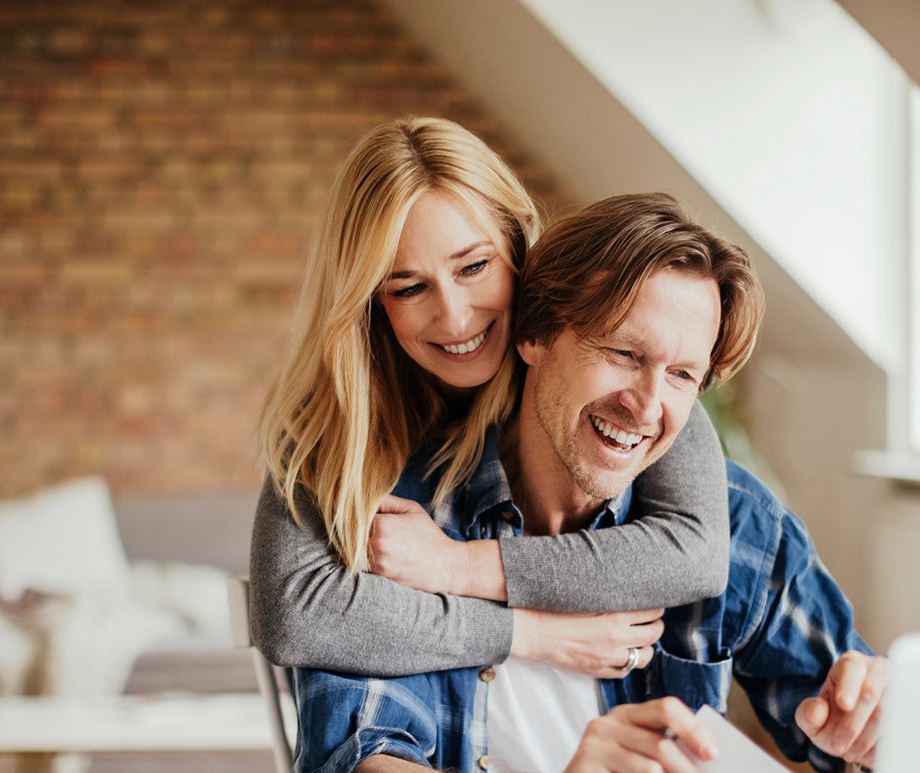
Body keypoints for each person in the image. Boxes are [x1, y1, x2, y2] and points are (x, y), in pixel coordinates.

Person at [292, 193, 884, 773]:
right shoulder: (403, 527)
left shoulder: (738, 523)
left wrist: (874, 742)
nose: (647, 407)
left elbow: (857, 755)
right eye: (624, 353)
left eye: (682, 375)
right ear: (534, 336)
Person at [251, 118, 734, 683]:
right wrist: (534, 634)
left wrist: (457, 566)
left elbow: (696, 553)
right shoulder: (339, 415)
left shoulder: (600, 367)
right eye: (409, 287)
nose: (456, 318)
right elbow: (293, 615)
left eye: (474, 267)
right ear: (370, 301)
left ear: (515, 246)